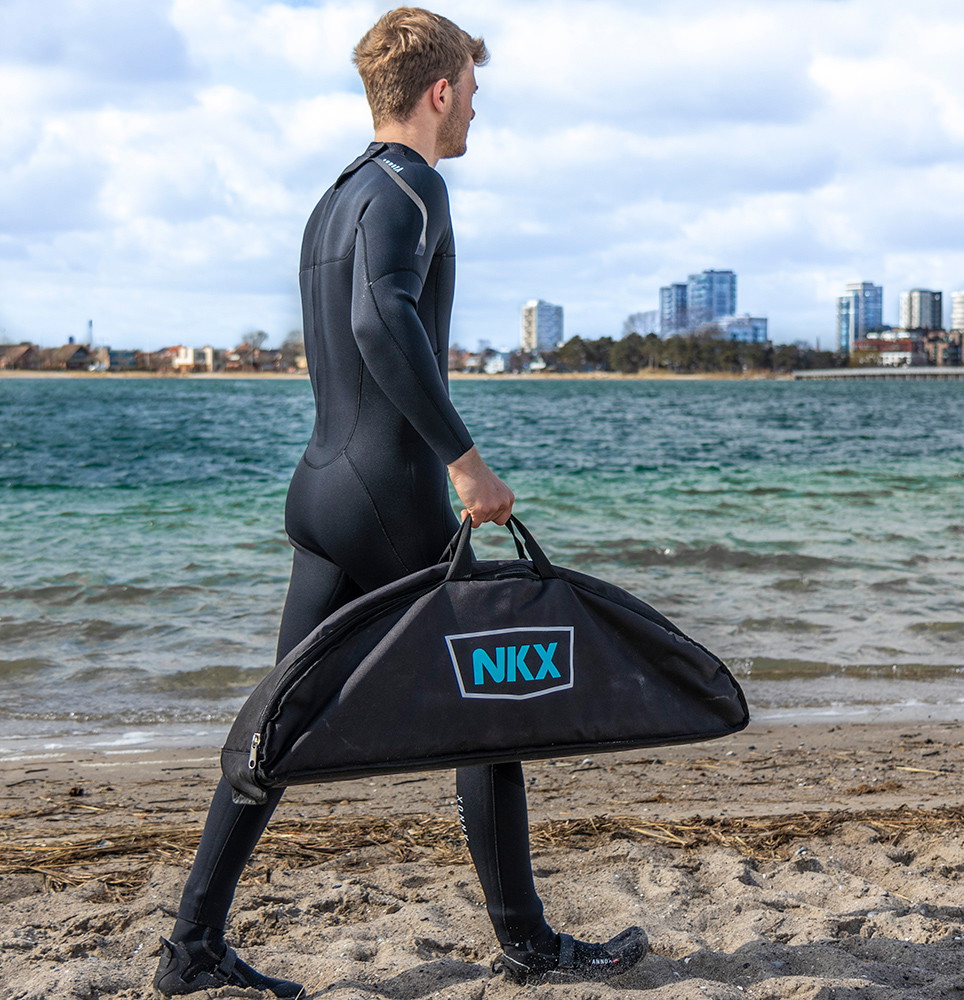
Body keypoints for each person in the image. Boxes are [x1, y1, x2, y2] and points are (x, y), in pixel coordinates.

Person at [153, 9, 648, 997]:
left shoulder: (337, 197)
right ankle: (528, 943)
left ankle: (191, 947)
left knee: (279, 722)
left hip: (323, 490)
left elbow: (351, 327)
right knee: (493, 709)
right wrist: (465, 463)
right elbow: (380, 319)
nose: (477, 111)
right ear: (439, 90)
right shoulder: (414, 187)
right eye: (473, 91)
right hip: (388, 492)